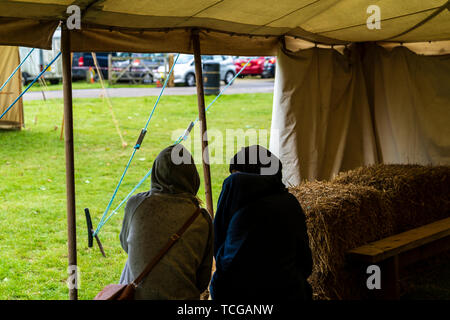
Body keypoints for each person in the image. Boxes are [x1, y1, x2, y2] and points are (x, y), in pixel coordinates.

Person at [210, 145, 313, 300]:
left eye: (237, 176)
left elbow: (227, 274)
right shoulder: (290, 202)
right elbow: (305, 262)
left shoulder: (245, 216)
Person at [119, 144, 213, 300]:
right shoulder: (201, 218)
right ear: (192, 176)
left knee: (130, 267)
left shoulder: (136, 204)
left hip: (136, 296)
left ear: (156, 171)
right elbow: (203, 280)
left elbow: (126, 244)